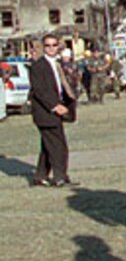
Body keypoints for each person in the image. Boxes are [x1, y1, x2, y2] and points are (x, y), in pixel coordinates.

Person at [30, 33, 79, 187]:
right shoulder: (38, 66)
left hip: (56, 110)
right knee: (58, 146)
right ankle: (60, 177)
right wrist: (54, 106)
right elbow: (39, 91)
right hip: (45, 112)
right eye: (48, 45)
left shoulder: (58, 64)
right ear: (43, 48)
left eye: (54, 45)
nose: (51, 48)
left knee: (48, 145)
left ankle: (40, 175)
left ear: (58, 47)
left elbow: (62, 87)